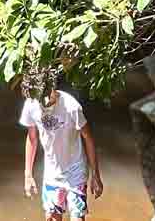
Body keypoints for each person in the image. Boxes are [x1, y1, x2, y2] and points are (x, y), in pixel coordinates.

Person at [20, 65, 103, 221]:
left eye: (46, 96)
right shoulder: (31, 104)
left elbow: (88, 138)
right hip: (52, 174)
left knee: (78, 218)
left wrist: (95, 175)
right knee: (52, 218)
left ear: (53, 87)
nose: (43, 102)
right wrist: (28, 174)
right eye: (39, 98)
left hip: (75, 173)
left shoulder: (71, 107)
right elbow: (32, 138)